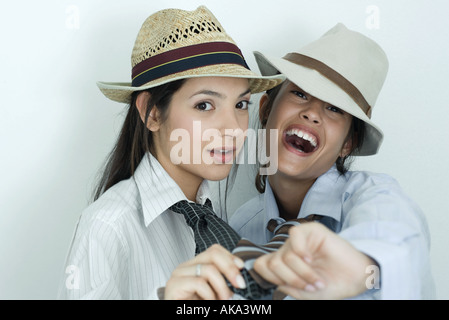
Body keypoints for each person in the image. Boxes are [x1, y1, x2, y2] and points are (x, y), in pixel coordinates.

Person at [57, 5, 284, 300]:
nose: (233, 128)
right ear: (151, 113)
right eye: (204, 105)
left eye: (241, 105)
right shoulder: (107, 226)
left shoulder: (220, 222)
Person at [229, 23, 436, 299]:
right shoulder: (241, 226)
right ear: (266, 109)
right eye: (300, 93)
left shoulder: (372, 196)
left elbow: (396, 232)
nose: (312, 114)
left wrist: (359, 267)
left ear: (348, 144)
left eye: (334, 108)